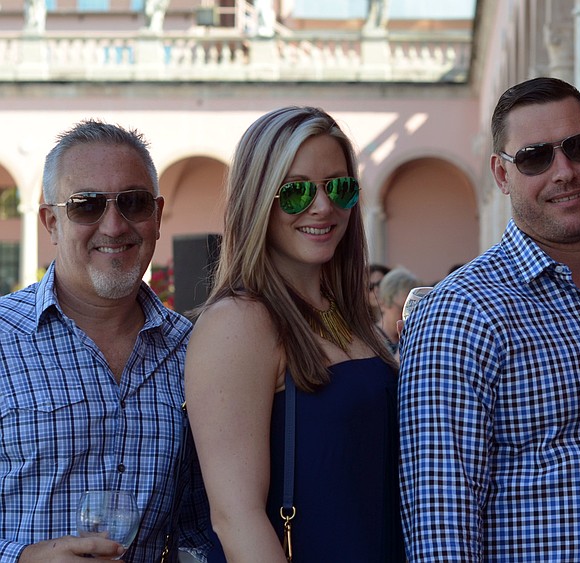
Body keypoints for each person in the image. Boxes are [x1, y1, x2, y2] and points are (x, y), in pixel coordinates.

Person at [398, 77, 580, 561]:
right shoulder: (462, 312)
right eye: (535, 157)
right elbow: (441, 528)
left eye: (579, 147)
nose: (564, 172)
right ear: (502, 173)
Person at [185, 106, 404, 562]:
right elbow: (237, 519)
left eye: (339, 187)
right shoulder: (238, 322)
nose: (323, 206)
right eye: (296, 191)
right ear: (257, 199)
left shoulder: (346, 314)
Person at [0, 119, 210, 562]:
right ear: (51, 222)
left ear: (156, 216)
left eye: (133, 202)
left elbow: (199, 529)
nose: (114, 226)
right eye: (86, 205)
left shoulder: (194, 351)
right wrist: (21, 558)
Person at [376, 266, 421, 354]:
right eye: (403, 308)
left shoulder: (414, 338)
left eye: (414, 310)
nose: (408, 315)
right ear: (383, 303)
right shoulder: (371, 341)